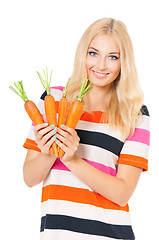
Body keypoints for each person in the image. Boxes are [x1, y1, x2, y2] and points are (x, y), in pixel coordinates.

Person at [23, 18, 150, 240]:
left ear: (123, 62)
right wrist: (47, 152)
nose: (101, 65)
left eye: (113, 57)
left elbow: (122, 194)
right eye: (93, 53)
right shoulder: (52, 100)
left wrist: (72, 159)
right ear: (83, 53)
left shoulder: (135, 114)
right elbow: (29, 178)